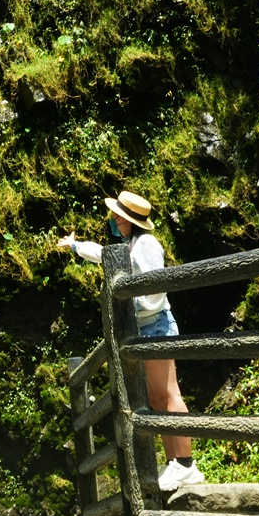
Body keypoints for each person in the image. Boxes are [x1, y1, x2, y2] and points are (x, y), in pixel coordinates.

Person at [58, 189, 204, 491]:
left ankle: (187, 464)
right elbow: (103, 254)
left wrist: (131, 303)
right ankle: (174, 463)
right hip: (145, 329)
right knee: (156, 399)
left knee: (169, 394)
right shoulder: (129, 244)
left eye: (117, 216)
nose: (113, 219)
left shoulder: (147, 244)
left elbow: (155, 289)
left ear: (128, 220)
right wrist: (74, 245)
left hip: (156, 327)